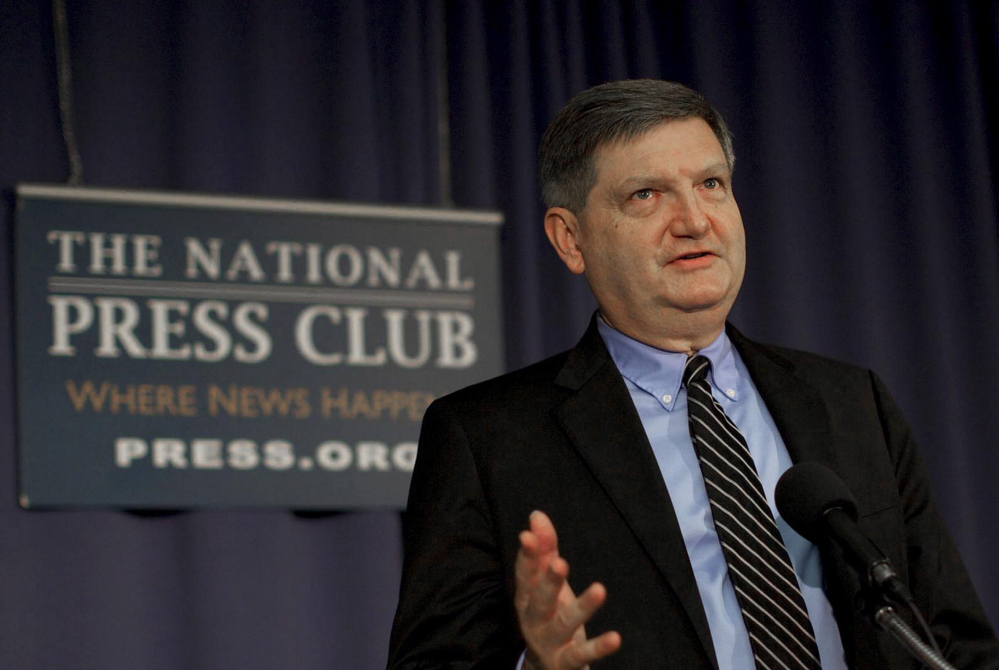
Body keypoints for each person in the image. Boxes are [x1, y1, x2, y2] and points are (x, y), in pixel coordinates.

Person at [386, 80, 998, 669]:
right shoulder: (486, 439)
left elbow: (952, 640)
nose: (694, 220)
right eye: (646, 195)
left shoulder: (851, 401)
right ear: (570, 239)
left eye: (711, 183)